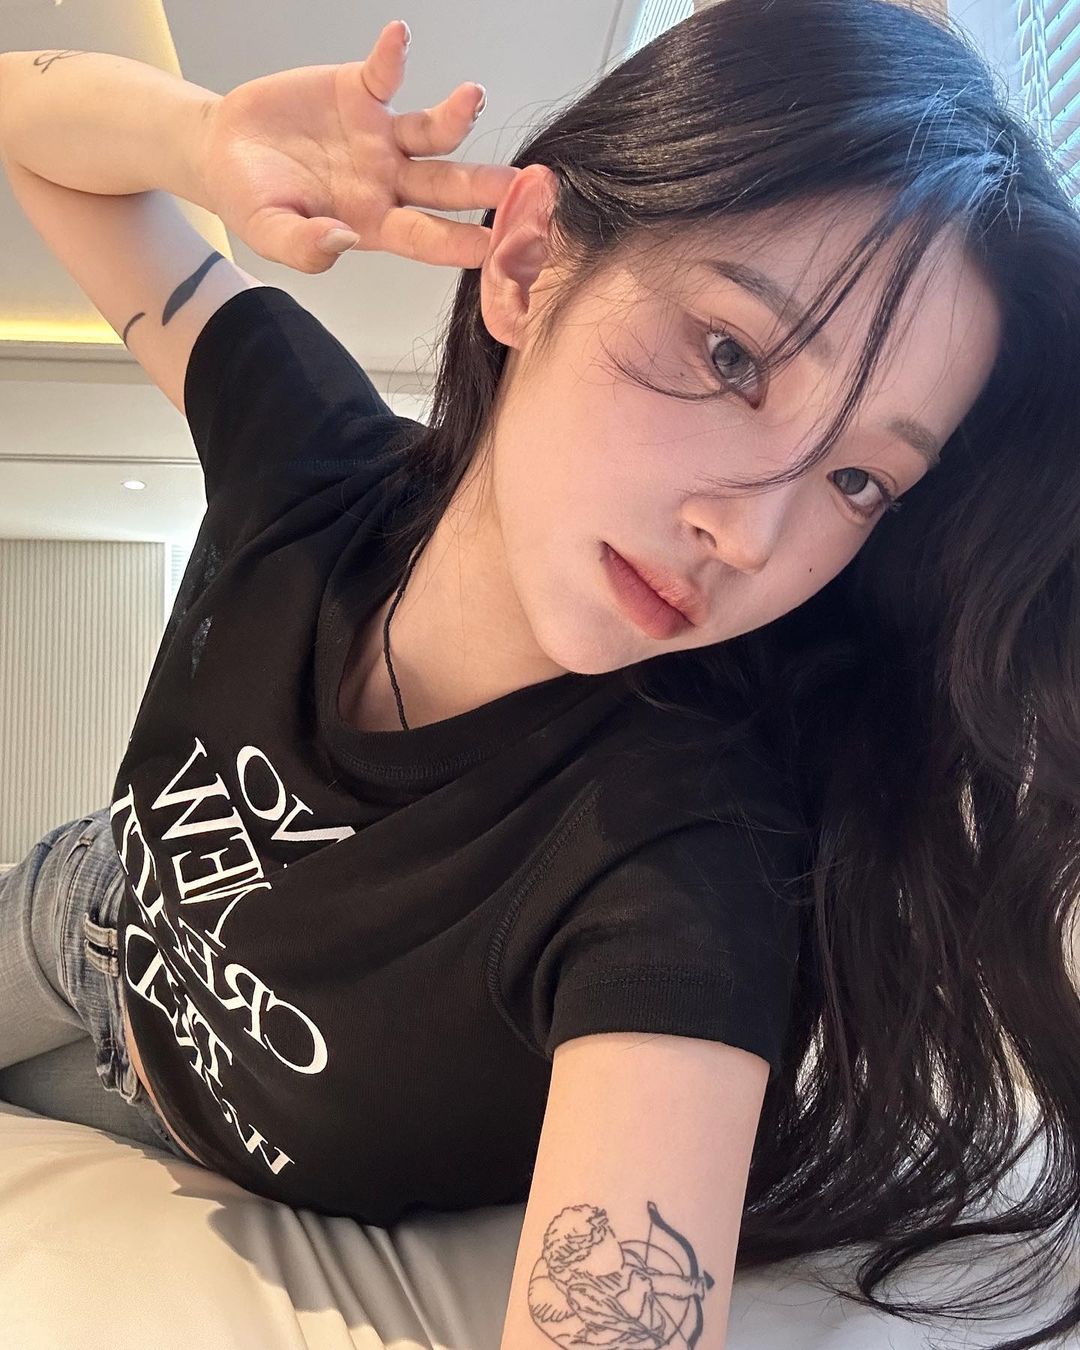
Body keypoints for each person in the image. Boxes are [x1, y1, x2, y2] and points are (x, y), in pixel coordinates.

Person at [0, 0, 1077, 1344]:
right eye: (733, 355)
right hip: (83, 913)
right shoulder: (309, 453)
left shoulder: (682, 854)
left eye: (861, 479)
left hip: (232, 1127)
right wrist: (203, 140)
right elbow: (28, 122)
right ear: (524, 265)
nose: (751, 536)